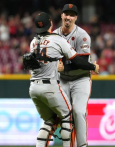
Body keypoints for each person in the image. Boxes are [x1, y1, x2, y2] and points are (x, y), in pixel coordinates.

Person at [23, 12, 99, 147]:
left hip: (33, 88)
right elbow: (77, 61)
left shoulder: (33, 42)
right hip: (50, 86)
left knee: (49, 121)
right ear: (50, 23)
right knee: (68, 117)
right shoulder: (57, 39)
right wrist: (92, 66)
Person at [53, 4, 97, 147]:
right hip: (63, 80)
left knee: (78, 111)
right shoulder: (54, 35)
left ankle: (82, 145)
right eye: (66, 14)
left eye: (72, 15)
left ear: (76, 18)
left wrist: (63, 66)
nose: (68, 17)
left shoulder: (82, 35)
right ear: (61, 15)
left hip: (81, 79)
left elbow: (82, 62)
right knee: (64, 115)